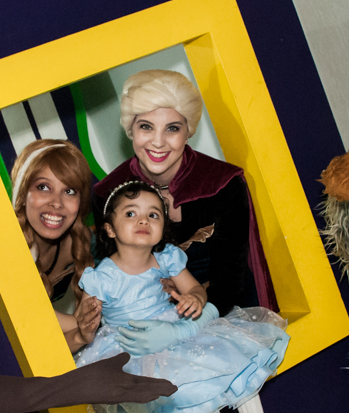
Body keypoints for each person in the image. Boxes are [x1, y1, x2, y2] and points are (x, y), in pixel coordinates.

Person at [75, 180, 294, 413]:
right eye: (131, 213)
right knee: (188, 381)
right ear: (110, 229)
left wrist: (195, 298)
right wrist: (87, 325)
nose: (143, 220)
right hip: (134, 344)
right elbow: (85, 320)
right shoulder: (102, 277)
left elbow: (194, 289)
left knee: (230, 354)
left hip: (173, 325)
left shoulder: (166, 258)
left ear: (163, 227)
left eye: (153, 215)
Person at [92, 70, 277, 315]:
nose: (158, 142)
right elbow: (115, 277)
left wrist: (195, 317)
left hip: (227, 306)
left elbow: (231, 277)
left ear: (188, 132)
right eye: (146, 127)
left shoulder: (223, 185)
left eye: (172, 128)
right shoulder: (107, 195)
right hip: (150, 313)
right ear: (130, 131)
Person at [9, 139, 102, 352]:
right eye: (43, 187)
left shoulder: (82, 240)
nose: (57, 202)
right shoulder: (7, 246)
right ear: (22, 193)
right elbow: (31, 316)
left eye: (69, 191)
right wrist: (82, 324)